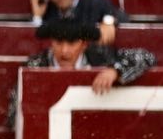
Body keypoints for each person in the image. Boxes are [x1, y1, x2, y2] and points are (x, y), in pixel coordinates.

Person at [24, 19, 155, 95]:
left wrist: (116, 71)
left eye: (71, 43)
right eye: (58, 43)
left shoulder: (100, 56)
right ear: (51, 43)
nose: (64, 51)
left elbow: (147, 57)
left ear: (84, 45)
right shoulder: (35, 65)